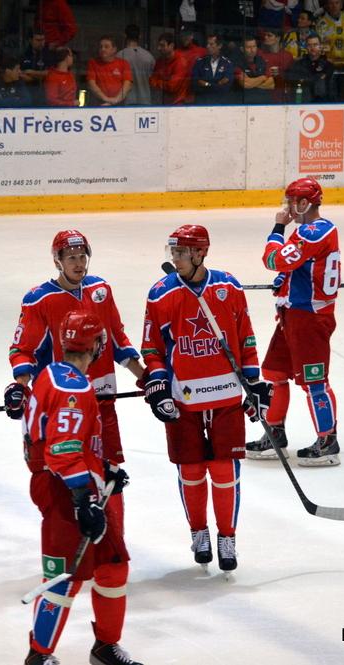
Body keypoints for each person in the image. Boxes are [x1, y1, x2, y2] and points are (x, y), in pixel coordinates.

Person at [141, 225, 271, 574]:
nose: (175, 258)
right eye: (173, 252)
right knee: (192, 470)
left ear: (200, 253)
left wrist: (254, 384)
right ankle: (199, 533)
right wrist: (158, 384)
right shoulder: (160, 294)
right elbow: (152, 348)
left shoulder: (228, 287)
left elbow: (245, 338)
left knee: (224, 470)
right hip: (183, 400)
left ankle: (227, 537)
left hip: (226, 395)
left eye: (181, 253)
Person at [22, 309, 143, 665]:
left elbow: (68, 442)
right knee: (64, 577)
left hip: (79, 483)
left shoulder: (51, 373)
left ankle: (105, 647)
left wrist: (103, 469)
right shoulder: (72, 388)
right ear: (95, 345)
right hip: (64, 489)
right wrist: (83, 498)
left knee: (113, 565)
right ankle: (39, 655)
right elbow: (62, 451)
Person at [6, 229, 145, 481]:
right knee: (68, 472)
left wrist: (146, 378)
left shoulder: (100, 289)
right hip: (64, 406)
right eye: (71, 258)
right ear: (57, 262)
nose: (79, 263)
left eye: (82, 256)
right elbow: (24, 350)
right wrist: (20, 387)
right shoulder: (39, 300)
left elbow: (117, 339)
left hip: (103, 400)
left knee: (110, 477)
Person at [245, 178, 342, 467]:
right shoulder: (313, 232)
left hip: (309, 318)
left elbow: (273, 259)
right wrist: (286, 280)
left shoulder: (313, 232)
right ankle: (274, 433)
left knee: (314, 381)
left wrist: (278, 227)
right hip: (292, 314)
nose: (287, 207)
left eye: (290, 201)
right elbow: (296, 266)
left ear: (303, 203)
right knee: (274, 372)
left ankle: (328, 441)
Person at [287, 34, 336, 102]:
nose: (312, 48)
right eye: (309, 45)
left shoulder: (328, 66)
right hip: (304, 102)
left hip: (323, 103)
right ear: (306, 47)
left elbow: (332, 90)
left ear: (320, 46)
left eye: (315, 45)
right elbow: (292, 81)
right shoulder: (298, 64)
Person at [87, 35, 133, 106]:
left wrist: (116, 100)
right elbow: (91, 84)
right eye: (101, 47)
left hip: (120, 104)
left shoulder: (123, 63)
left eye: (106, 47)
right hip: (98, 104)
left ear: (114, 49)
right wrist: (106, 99)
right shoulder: (93, 63)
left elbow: (127, 84)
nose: (103, 49)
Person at [191, 34, 235, 105]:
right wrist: (217, 84)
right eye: (207, 44)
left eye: (211, 44)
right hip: (202, 104)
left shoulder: (227, 64)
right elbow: (195, 84)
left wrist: (206, 84)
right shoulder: (200, 62)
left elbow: (226, 87)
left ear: (219, 46)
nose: (207, 46)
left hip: (222, 104)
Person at [118, 24, 156, 105]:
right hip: (145, 100)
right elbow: (153, 80)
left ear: (125, 36)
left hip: (126, 101)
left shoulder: (119, 56)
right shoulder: (149, 57)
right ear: (140, 36)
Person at [150, 33, 192, 105]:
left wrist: (158, 82)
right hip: (163, 103)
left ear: (172, 46)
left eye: (162, 45)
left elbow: (172, 87)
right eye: (159, 45)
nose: (159, 48)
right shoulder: (160, 61)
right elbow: (151, 81)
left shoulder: (181, 62)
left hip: (178, 104)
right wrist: (164, 83)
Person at [237, 35, 275, 104]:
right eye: (248, 47)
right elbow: (245, 84)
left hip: (265, 101)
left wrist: (252, 82)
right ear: (242, 49)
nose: (252, 50)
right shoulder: (237, 63)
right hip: (245, 103)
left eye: (254, 46)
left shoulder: (262, 61)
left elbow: (272, 84)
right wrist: (263, 78)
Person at [21, 29, 50, 105]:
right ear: (30, 40)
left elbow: (49, 74)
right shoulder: (23, 54)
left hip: (43, 95)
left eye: (43, 40)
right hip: (26, 93)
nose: (41, 43)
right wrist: (40, 76)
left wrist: (31, 72)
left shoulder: (48, 54)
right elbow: (20, 75)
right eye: (38, 40)